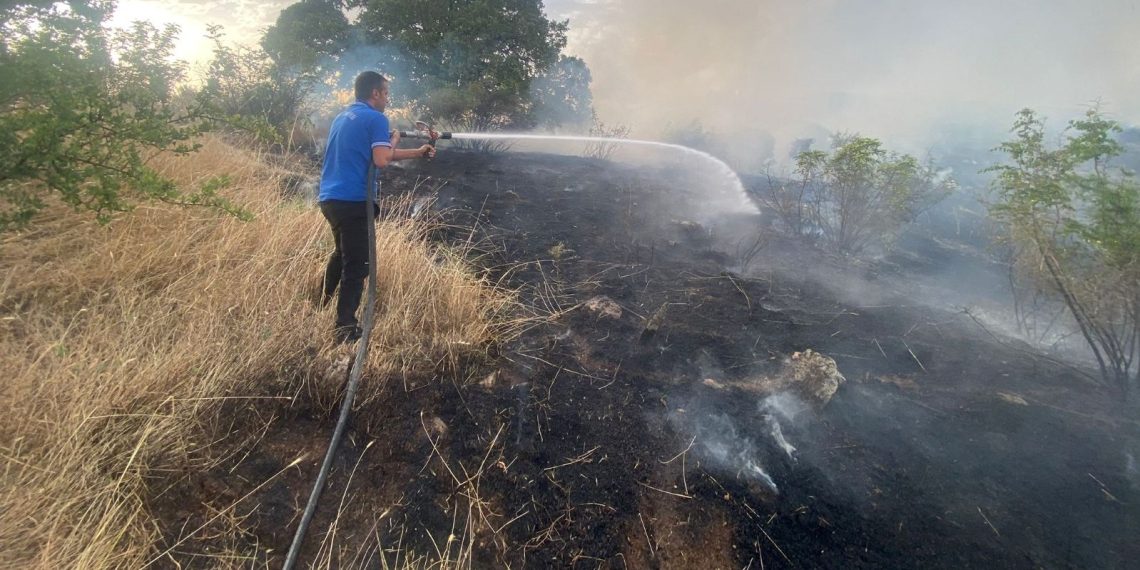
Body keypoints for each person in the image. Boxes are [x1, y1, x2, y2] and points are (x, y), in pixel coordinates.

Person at [318, 71, 436, 343]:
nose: (387, 99)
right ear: (375, 93)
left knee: (341, 253)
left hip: (330, 198)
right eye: (385, 93)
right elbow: (382, 159)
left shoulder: (343, 116)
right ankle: (345, 327)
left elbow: (370, 152)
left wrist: (395, 142)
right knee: (357, 264)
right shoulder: (375, 118)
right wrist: (415, 150)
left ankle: (321, 301)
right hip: (353, 199)